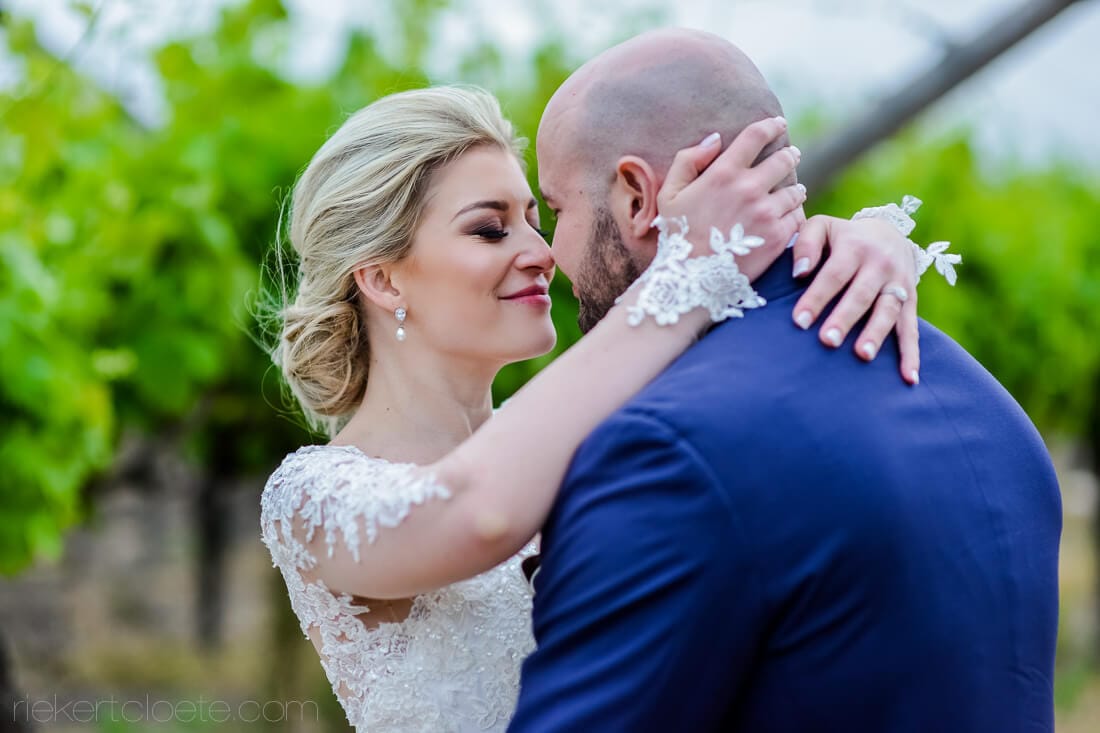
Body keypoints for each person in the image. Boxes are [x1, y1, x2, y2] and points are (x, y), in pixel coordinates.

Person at [259, 76, 935, 730]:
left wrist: (851, 247)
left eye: (537, 220)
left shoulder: (604, 436)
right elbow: (474, 514)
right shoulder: (309, 499)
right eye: (490, 229)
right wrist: (689, 269)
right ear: (382, 279)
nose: (542, 253)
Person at [507, 28, 1061, 733]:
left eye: (557, 210)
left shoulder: (665, 447)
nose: (550, 253)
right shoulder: (992, 410)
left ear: (638, 197)